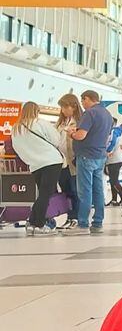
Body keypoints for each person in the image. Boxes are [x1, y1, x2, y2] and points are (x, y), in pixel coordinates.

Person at [11, 101, 65, 236]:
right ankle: (39, 224)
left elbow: (17, 148)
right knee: (45, 194)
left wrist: (30, 158)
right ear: (36, 111)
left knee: (42, 193)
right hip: (51, 162)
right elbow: (56, 139)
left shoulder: (16, 128)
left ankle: (32, 222)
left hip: (35, 165)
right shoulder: (40, 123)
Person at [69, 90, 114, 234]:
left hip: (86, 155)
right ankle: (98, 222)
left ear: (87, 99)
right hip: (100, 156)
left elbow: (81, 135)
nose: (82, 104)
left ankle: (82, 224)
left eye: (83, 101)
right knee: (98, 190)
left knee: (85, 191)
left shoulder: (89, 113)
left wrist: (71, 134)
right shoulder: (107, 114)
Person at [55, 93, 82, 229]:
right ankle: (70, 217)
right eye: (62, 108)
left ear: (73, 106)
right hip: (61, 162)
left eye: (66, 107)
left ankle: (77, 217)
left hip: (73, 162)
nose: (63, 110)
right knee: (66, 191)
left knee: (75, 190)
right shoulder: (60, 123)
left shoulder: (80, 121)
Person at [105, 122, 122, 206]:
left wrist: (107, 151)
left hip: (115, 160)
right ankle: (114, 199)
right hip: (112, 160)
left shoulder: (114, 134)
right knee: (112, 180)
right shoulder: (112, 133)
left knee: (114, 180)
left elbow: (112, 145)